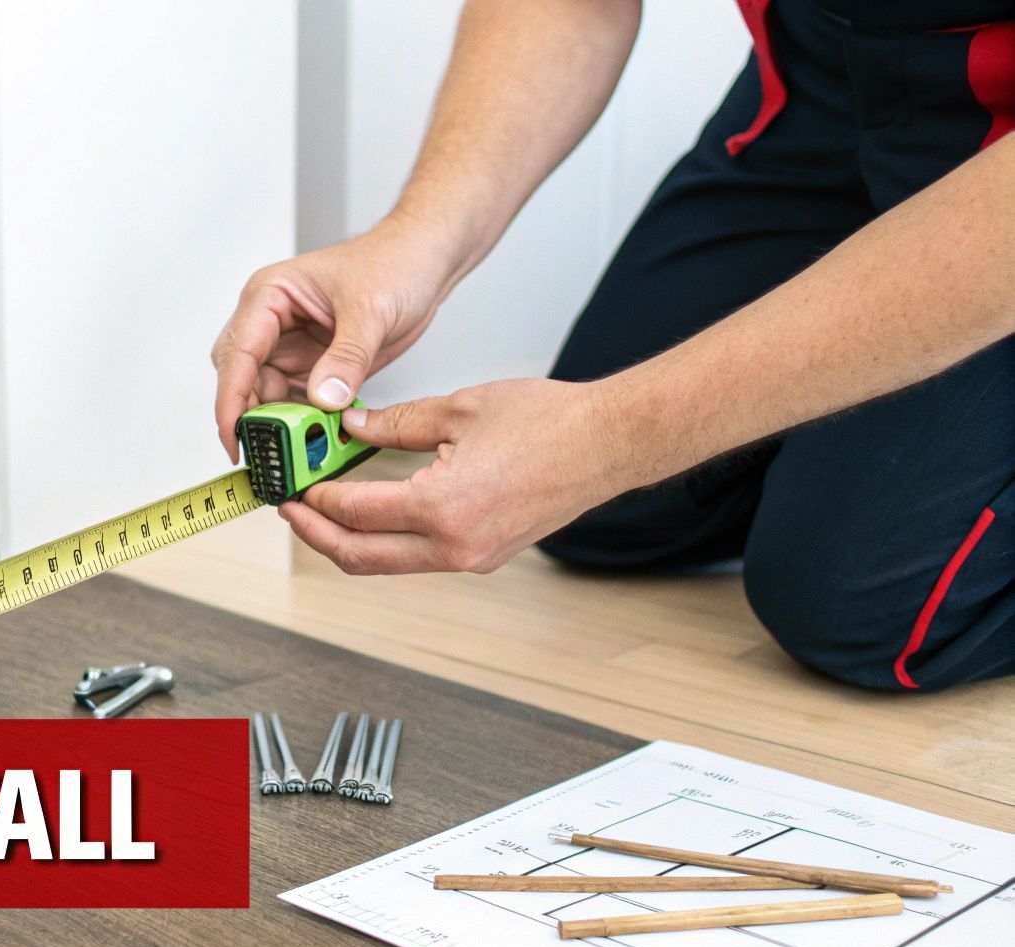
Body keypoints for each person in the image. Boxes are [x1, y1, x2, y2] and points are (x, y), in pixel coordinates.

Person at [210, 0, 1014, 692]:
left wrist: (606, 436)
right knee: (607, 517)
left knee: (861, 604)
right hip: (822, 72)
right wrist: (415, 242)